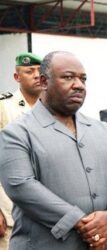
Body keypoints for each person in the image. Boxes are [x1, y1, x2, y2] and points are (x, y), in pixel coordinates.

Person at [0, 51, 107, 250]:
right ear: (44, 82)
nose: (79, 85)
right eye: (68, 77)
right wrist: (84, 223)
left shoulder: (103, 131)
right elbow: (21, 186)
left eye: (83, 79)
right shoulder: (17, 133)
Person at [0, 52, 42, 250]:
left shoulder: (52, 109)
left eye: (40, 71)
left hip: (46, 210)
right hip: (9, 208)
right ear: (17, 77)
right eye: (29, 71)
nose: (36, 75)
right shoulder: (4, 107)